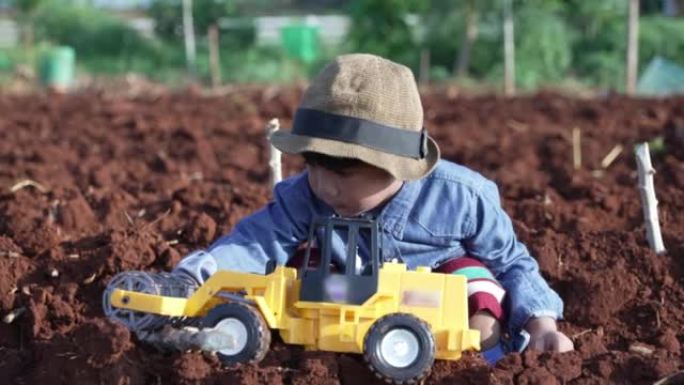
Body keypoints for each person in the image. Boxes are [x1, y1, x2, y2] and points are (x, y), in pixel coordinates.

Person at [173, 53, 574, 363]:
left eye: (344, 174)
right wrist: (192, 281)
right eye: (314, 166)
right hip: (337, 306)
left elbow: (512, 264)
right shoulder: (302, 198)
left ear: (399, 168)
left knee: (475, 278)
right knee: (293, 270)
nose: (326, 186)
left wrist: (541, 325)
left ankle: (479, 362)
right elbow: (255, 243)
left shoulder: (461, 197)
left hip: (428, 308)